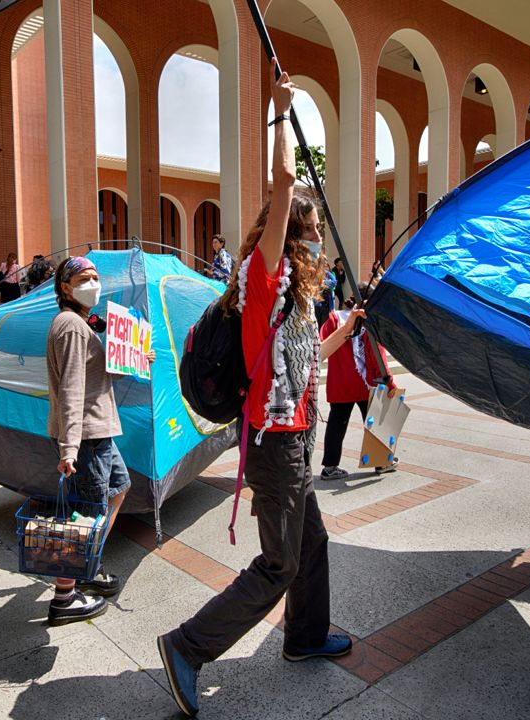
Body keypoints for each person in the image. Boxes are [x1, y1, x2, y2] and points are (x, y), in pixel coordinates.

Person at [157, 64, 364, 717]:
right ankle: (188, 647)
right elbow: (281, 184)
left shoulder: (296, 303)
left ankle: (303, 638)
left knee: (315, 546)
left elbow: (305, 366)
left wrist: (352, 327)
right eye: (312, 229)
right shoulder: (263, 278)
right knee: (279, 565)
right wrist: (280, 111)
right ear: (294, 234)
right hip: (275, 446)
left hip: (296, 439)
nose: (318, 239)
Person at [44, 255, 154, 626]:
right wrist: (69, 448)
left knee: (119, 487)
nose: (93, 283)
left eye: (95, 277)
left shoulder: (77, 323)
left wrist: (135, 359)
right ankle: (64, 596)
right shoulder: (72, 327)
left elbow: (94, 377)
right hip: (87, 436)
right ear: (65, 287)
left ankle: (87, 564)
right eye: (84, 278)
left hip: (100, 430)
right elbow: (71, 389)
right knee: (86, 516)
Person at [318, 305, 399, 480]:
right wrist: (389, 382)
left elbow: (322, 341)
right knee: (375, 424)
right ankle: (382, 461)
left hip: (339, 382)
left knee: (336, 425)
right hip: (365, 383)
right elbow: (378, 355)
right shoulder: (368, 320)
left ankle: (330, 467)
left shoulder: (333, 318)